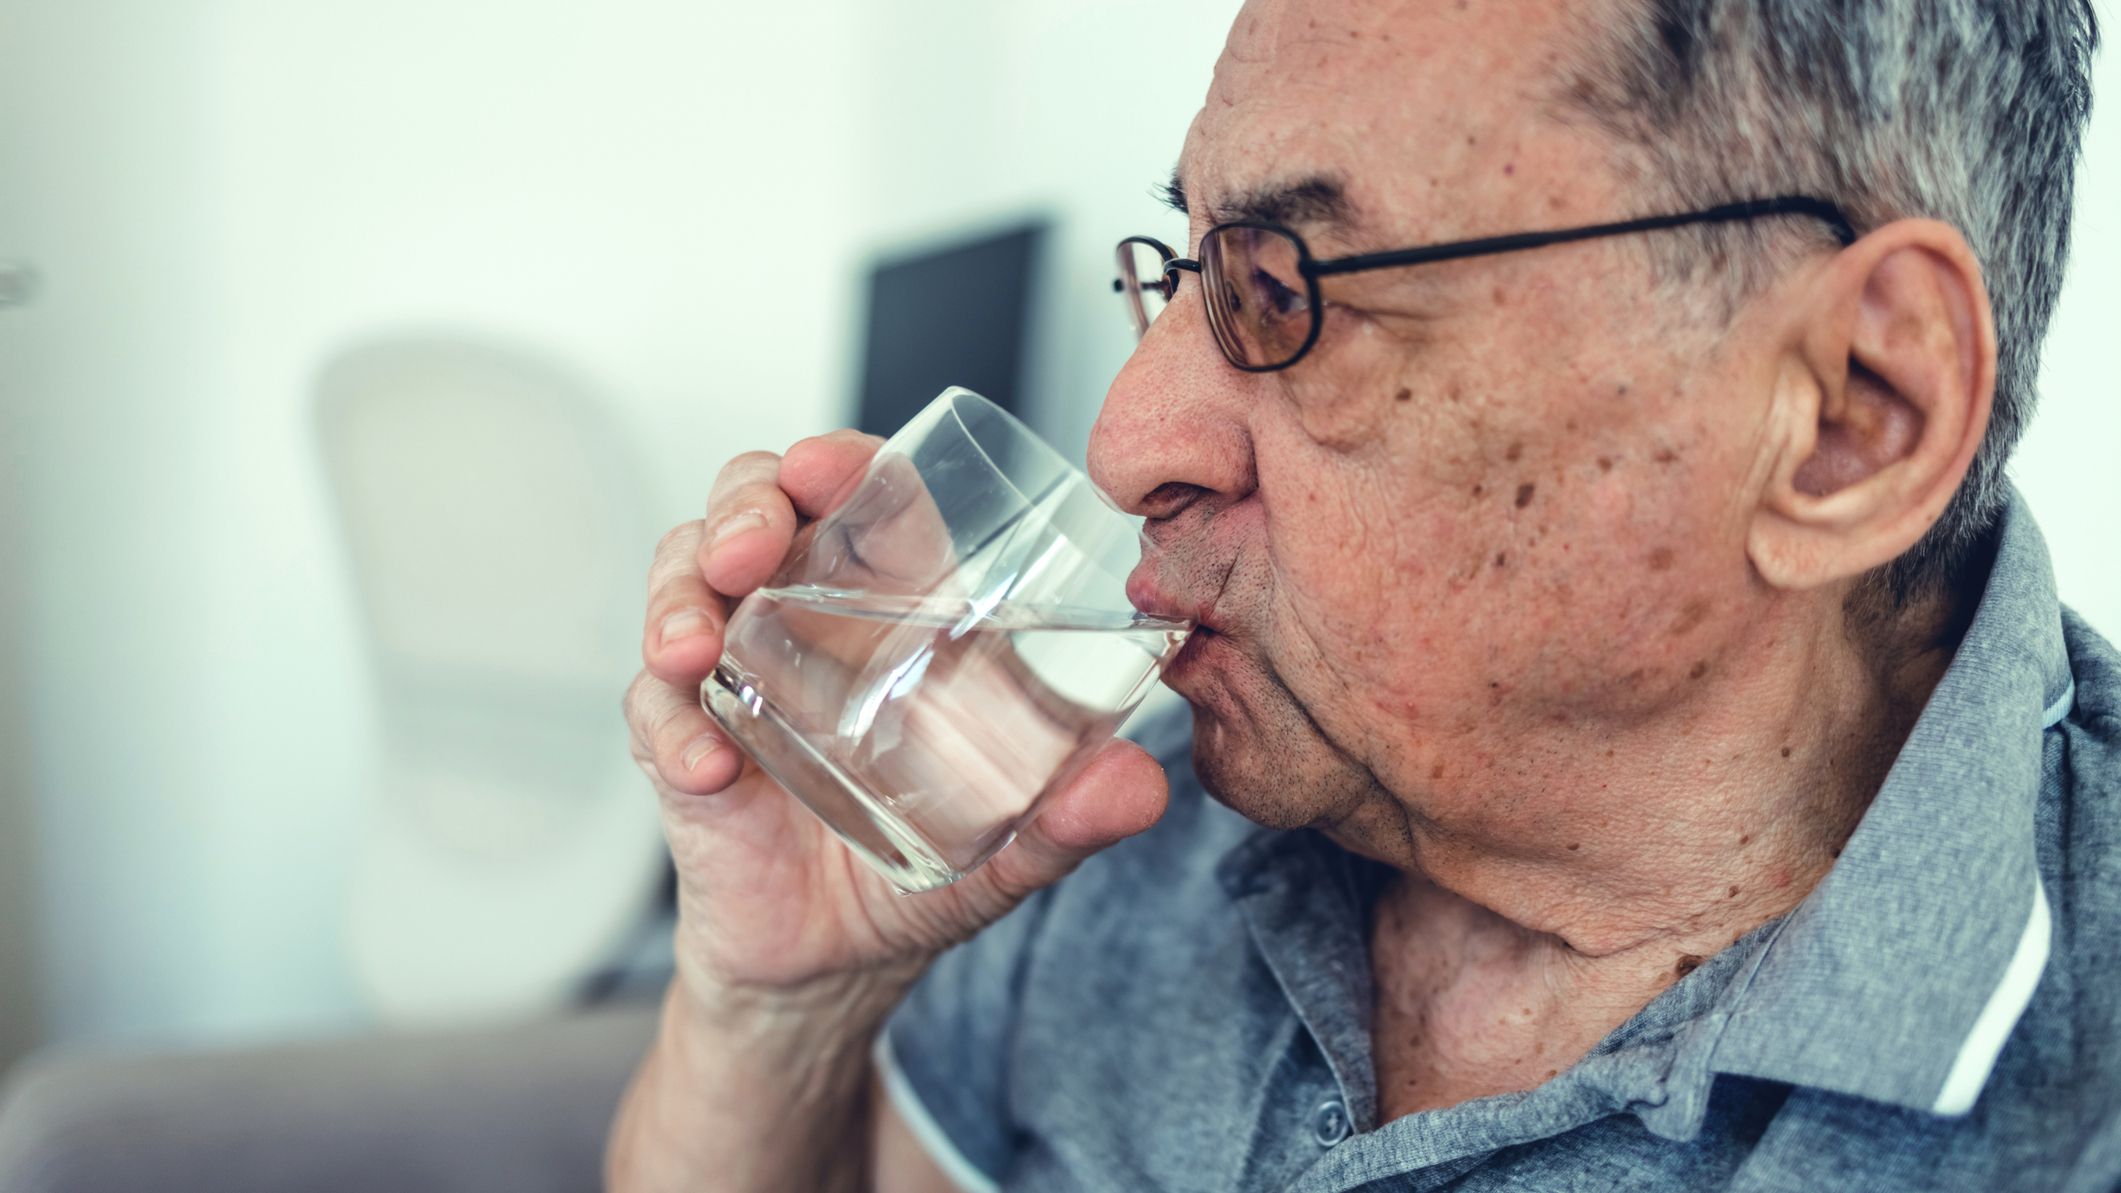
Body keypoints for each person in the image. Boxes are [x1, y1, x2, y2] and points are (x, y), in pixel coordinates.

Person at [608, 0, 2117, 1188]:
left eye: (1285, 290)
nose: (1126, 441)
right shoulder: (1110, 804)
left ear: (1848, 417)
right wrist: (780, 1010)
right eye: (1187, 268)